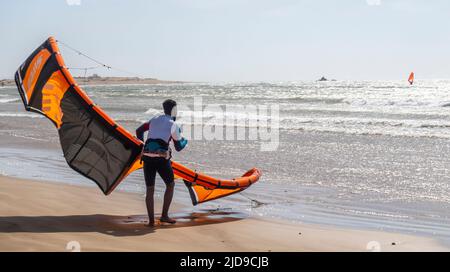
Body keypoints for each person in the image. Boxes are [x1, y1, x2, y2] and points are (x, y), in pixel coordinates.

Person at [136, 99, 188, 226]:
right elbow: (178, 147)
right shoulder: (173, 125)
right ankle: (164, 216)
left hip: (147, 157)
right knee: (170, 185)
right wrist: (185, 140)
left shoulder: (154, 120)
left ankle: (151, 221)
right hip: (161, 159)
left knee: (150, 189)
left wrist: (143, 145)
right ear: (174, 110)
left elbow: (139, 131)